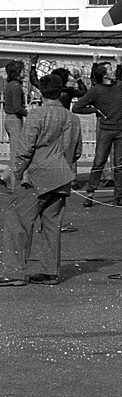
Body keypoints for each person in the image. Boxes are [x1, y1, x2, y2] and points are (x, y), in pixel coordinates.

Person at [0, 75, 83, 286]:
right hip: (62, 177)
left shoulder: (37, 115)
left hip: (37, 177)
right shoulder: (72, 118)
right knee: (51, 225)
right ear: (60, 92)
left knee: (17, 223)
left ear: (40, 93)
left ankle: (14, 273)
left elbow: (24, 149)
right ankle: (50, 271)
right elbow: (78, 151)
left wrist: (15, 174)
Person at [72, 61, 122, 206]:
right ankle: (90, 193)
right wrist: (95, 110)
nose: (113, 70)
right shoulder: (96, 90)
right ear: (103, 74)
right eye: (110, 69)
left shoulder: (120, 85)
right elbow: (77, 107)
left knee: (119, 165)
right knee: (99, 162)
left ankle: (118, 196)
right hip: (106, 130)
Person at [3, 61, 27, 153]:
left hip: (8, 119)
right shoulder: (16, 86)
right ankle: (15, 167)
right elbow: (17, 108)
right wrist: (28, 113)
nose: (24, 72)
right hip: (15, 119)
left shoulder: (10, 85)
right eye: (23, 70)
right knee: (17, 150)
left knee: (14, 148)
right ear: (17, 72)